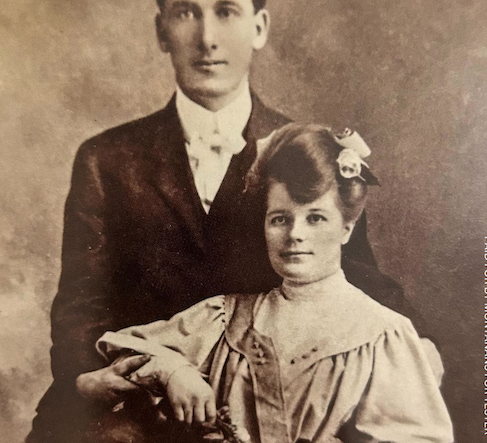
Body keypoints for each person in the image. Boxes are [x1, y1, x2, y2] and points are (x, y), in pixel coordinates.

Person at [28, 0, 428, 442]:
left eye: (226, 11)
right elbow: (79, 306)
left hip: (262, 405)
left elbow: (357, 278)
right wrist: (124, 379)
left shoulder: (304, 153)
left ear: (259, 27)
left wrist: (413, 346)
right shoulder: (106, 158)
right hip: (137, 402)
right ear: (160, 31)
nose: (207, 37)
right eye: (185, 13)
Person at [80, 124, 453, 443]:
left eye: (316, 218)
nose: (295, 235)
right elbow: (125, 349)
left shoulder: (381, 337)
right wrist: (173, 371)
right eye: (279, 219)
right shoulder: (225, 318)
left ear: (346, 228)